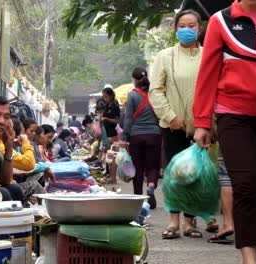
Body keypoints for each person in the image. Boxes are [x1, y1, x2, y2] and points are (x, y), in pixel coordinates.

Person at [193, 0, 256, 262]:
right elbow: (208, 72)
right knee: (245, 184)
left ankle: (250, 242)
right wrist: (202, 121)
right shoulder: (220, 21)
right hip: (234, 115)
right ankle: (249, 257)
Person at [149, 9, 217, 239]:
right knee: (175, 172)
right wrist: (170, 117)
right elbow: (155, 91)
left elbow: (215, 90)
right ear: (175, 29)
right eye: (182, 26)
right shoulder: (164, 56)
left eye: (192, 26)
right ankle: (173, 221)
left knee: (196, 174)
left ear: (200, 29)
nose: (187, 30)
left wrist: (207, 122)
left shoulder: (210, 55)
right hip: (172, 126)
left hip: (202, 126)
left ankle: (190, 222)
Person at [120, 67, 161, 209]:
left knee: (137, 167)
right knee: (153, 165)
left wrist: (124, 138)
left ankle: (138, 198)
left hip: (136, 136)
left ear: (135, 80)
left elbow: (128, 119)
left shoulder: (132, 95)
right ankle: (150, 185)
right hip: (154, 134)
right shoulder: (155, 94)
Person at [101, 86, 121, 185]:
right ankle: (111, 177)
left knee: (112, 157)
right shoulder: (107, 106)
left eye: (106, 97)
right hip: (107, 134)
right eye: (103, 97)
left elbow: (117, 120)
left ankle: (114, 178)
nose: (104, 99)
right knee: (109, 157)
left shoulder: (115, 106)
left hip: (113, 134)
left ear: (111, 96)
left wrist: (106, 119)